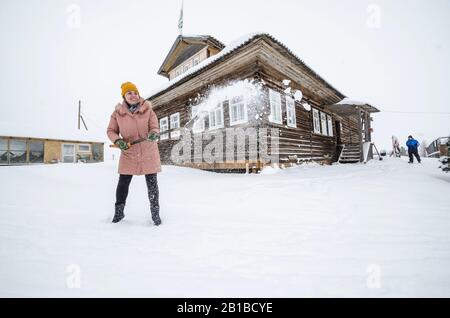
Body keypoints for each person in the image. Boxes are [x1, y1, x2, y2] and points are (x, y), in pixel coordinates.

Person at [107, 82, 162, 225]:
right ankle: (119, 213)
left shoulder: (148, 110)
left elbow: (155, 128)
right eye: (129, 93)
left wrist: (154, 134)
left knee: (152, 184)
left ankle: (155, 214)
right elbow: (111, 131)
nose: (133, 95)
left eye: (135, 92)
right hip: (129, 153)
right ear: (124, 96)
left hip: (148, 151)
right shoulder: (117, 113)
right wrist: (118, 141)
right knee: (123, 183)